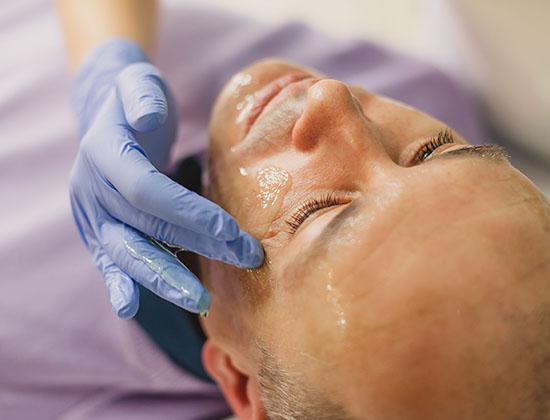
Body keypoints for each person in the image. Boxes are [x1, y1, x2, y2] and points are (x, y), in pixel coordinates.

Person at [190, 59, 550, 419]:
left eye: (314, 211)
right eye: (431, 150)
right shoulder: (422, 85)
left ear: (236, 378)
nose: (331, 95)